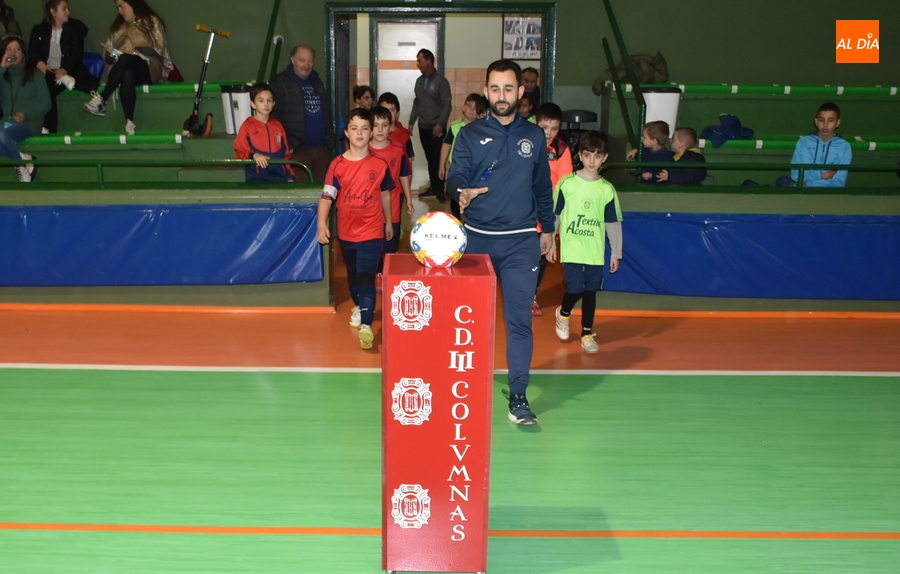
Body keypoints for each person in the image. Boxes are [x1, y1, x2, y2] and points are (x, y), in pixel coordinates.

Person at [446, 59, 555, 426]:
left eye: (509, 88)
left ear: (521, 92)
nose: (502, 96)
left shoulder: (535, 137)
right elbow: (455, 175)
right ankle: (466, 387)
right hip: (476, 241)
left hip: (521, 242)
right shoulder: (470, 134)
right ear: (487, 89)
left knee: (518, 321)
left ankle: (519, 397)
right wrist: (461, 191)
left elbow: (542, 186)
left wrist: (549, 228)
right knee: (469, 321)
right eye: (495, 89)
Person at [316, 108, 394, 350]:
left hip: (372, 231)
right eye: (354, 128)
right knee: (353, 277)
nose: (359, 133)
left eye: (364, 128)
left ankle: (367, 327)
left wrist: (389, 222)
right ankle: (361, 307)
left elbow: (385, 195)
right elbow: (327, 196)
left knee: (365, 276)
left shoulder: (380, 165)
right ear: (346, 133)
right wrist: (321, 223)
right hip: (347, 234)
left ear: (371, 133)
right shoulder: (337, 165)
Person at [552, 131, 622, 354]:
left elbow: (612, 222)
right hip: (572, 247)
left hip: (594, 251)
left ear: (605, 158)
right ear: (580, 156)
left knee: (590, 291)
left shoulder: (607, 189)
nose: (592, 161)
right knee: (574, 288)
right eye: (588, 155)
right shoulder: (567, 184)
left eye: (597, 156)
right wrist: (551, 243)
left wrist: (615, 253)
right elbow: (556, 215)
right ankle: (563, 313)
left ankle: (586, 333)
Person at [83, 0, 172, 136]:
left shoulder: (151, 21)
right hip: (125, 65)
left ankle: (102, 98)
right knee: (127, 74)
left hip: (150, 67)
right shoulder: (118, 28)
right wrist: (111, 52)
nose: (119, 10)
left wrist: (135, 49)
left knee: (127, 59)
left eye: (122, 6)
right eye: (117, 7)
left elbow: (158, 50)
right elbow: (112, 58)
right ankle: (129, 122)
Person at [29, 0, 99, 133]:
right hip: (47, 72)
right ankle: (47, 126)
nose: (68, 12)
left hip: (67, 71)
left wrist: (64, 69)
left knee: (48, 85)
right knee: (46, 84)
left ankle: (49, 127)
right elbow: (33, 51)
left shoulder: (74, 31)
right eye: (64, 9)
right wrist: (40, 63)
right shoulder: (38, 31)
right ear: (53, 12)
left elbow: (76, 54)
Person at [531, 102, 574, 316]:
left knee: (540, 257)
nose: (548, 133)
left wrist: (556, 222)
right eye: (544, 127)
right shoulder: (524, 144)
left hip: (546, 215)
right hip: (521, 213)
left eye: (554, 128)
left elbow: (564, 187)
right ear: (535, 123)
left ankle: (532, 296)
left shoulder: (561, 150)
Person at [270, 45, 336, 183]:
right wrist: (287, 145)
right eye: (302, 60)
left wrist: (329, 141)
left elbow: (326, 111)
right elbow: (273, 117)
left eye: (310, 61)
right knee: (301, 195)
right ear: (292, 60)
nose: (306, 65)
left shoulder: (317, 82)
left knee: (323, 194)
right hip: (297, 151)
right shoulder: (280, 83)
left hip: (320, 150)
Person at [370, 105, 413, 290]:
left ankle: (387, 275)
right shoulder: (363, 150)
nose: (380, 130)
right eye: (375, 125)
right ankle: (376, 274)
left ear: (391, 127)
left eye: (384, 125)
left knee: (390, 242)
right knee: (373, 244)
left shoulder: (397, 149)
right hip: (370, 209)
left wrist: (409, 199)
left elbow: (403, 174)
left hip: (393, 206)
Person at [0, 36, 50, 183]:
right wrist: (2, 67)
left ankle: (20, 166)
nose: (13, 52)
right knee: (2, 134)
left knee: (2, 136)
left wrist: (26, 114)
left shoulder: (34, 74)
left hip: (28, 124)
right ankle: (23, 160)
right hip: (6, 123)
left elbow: (46, 103)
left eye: (17, 49)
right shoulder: (3, 76)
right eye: (9, 49)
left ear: (23, 53)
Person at [408, 48, 451, 202]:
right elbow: (417, 102)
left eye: (419, 60)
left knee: (438, 159)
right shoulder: (419, 81)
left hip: (437, 127)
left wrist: (441, 123)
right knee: (429, 159)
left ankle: (440, 190)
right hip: (423, 127)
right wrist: (411, 122)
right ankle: (434, 187)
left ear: (429, 60)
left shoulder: (441, 81)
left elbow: (447, 105)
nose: (417, 63)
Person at [233, 82, 294, 183]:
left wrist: (289, 176)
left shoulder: (278, 126)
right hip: (257, 178)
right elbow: (239, 153)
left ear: (273, 103)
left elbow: (286, 155)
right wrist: (253, 155)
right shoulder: (247, 126)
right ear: (253, 104)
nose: (266, 104)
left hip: (280, 178)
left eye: (269, 100)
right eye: (261, 101)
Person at [438, 93, 486, 219]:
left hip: (473, 170)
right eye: (469, 106)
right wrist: (442, 165)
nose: (471, 110)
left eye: (475, 107)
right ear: (463, 108)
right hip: (456, 168)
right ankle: (456, 220)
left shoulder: (482, 129)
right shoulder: (455, 126)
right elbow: (446, 145)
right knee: (456, 196)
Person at [790, 102, 852, 188]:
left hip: (829, 196)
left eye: (831, 120)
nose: (825, 125)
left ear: (837, 123)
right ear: (816, 121)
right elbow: (796, 176)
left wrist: (808, 183)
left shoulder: (844, 147)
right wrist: (825, 175)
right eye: (821, 120)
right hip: (802, 194)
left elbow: (839, 182)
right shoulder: (803, 143)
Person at [626, 120, 672, 185]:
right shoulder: (645, 149)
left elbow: (664, 175)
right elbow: (642, 155)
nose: (642, 138)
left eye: (644, 137)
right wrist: (636, 151)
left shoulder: (666, 157)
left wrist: (652, 176)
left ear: (654, 142)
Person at [378, 91, 415, 166]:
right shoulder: (373, 133)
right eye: (384, 110)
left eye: (391, 110)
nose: (387, 113)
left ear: (397, 113)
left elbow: (408, 160)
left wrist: (408, 176)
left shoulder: (404, 135)